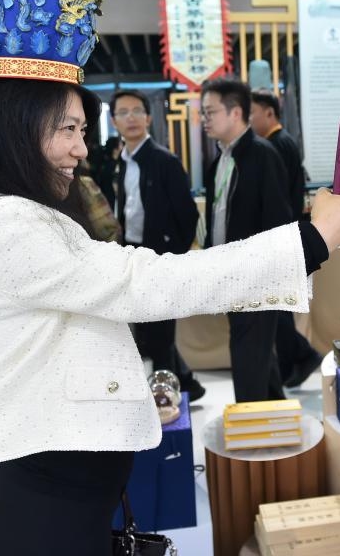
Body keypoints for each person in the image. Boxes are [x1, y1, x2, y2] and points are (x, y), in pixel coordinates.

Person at [0, 0, 340, 556]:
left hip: (65, 501)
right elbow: (145, 282)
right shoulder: (4, 223)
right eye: (67, 129)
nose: (80, 149)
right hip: (41, 515)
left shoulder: (16, 213)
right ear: (13, 131)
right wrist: (308, 240)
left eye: (82, 132)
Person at [203, 77, 299, 402]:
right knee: (256, 356)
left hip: (256, 276)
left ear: (235, 113)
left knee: (247, 360)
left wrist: (263, 271)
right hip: (228, 273)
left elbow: (279, 220)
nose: (205, 119)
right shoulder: (219, 160)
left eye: (211, 112)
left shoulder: (263, 155)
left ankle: (252, 441)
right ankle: (274, 420)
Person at [111, 89, 205, 401]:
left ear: (149, 118)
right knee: (149, 330)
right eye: (123, 113)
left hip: (160, 258)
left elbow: (188, 214)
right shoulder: (120, 162)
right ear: (113, 122)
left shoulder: (165, 161)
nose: (131, 118)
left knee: (161, 332)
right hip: (132, 256)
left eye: (137, 111)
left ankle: (169, 401)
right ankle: (185, 384)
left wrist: (172, 254)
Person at [249, 88, 323, 388]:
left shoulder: (278, 145)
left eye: (252, 113)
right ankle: (295, 358)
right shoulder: (279, 143)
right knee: (275, 306)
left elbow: (277, 198)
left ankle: (302, 355)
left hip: (282, 235)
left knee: (275, 307)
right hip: (284, 234)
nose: (250, 119)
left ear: (269, 113)